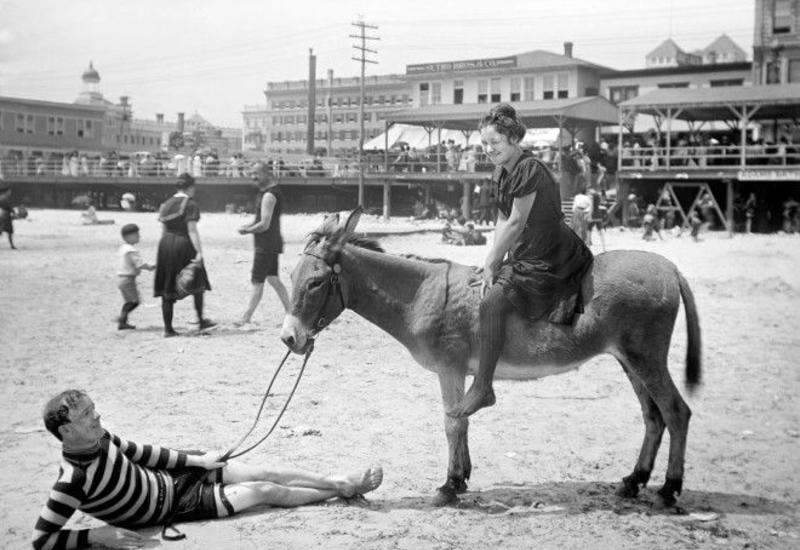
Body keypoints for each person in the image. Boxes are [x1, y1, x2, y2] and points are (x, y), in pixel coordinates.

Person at [32, 389, 383, 550]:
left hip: (176, 475)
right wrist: (98, 535)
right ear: (65, 431)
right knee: (265, 491)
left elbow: (147, 454)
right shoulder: (71, 482)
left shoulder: (103, 437)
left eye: (94, 409)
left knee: (264, 469)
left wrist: (198, 462)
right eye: (86, 416)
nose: (97, 417)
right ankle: (341, 490)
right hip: (177, 506)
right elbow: (41, 540)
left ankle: (336, 480)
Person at [449, 104, 593, 418]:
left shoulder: (530, 169)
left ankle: (484, 386)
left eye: (495, 143)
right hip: (525, 250)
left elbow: (516, 221)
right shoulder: (501, 170)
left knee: (491, 304)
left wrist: (492, 263)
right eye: (484, 144)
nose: (488, 150)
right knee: (485, 283)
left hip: (549, 253)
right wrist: (493, 258)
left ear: (514, 138)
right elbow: (502, 218)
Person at [154, 173, 215, 337]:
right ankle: (201, 321)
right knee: (197, 281)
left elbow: (164, 230)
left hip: (165, 245)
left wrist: (163, 252)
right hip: (183, 243)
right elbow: (192, 230)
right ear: (191, 187)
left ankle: (168, 329)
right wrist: (199, 253)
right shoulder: (190, 204)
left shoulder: (165, 204)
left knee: (167, 286)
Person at [235, 163, 290, 327]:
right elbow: (262, 221)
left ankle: (245, 317)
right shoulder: (270, 193)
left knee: (257, 282)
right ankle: (292, 311)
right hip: (272, 243)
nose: (253, 177)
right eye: (251, 174)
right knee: (273, 279)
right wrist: (249, 226)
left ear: (267, 174)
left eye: (256, 174)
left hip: (265, 245)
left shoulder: (269, 195)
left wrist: (247, 231)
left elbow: (264, 224)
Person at [116, 223, 156, 330]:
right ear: (128, 236)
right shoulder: (131, 250)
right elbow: (139, 264)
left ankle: (123, 322)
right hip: (128, 279)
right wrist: (152, 266)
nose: (139, 236)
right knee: (135, 302)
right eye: (136, 234)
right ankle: (122, 318)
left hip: (121, 278)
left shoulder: (122, 248)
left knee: (129, 301)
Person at [0, 183, 17, 249]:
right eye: (9, 191)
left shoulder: (3, 197)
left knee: (6, 231)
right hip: (4, 216)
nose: (10, 193)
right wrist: (13, 212)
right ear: (6, 191)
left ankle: (12, 245)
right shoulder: (3, 198)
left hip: (4, 215)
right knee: (9, 231)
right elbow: (8, 207)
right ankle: (12, 245)